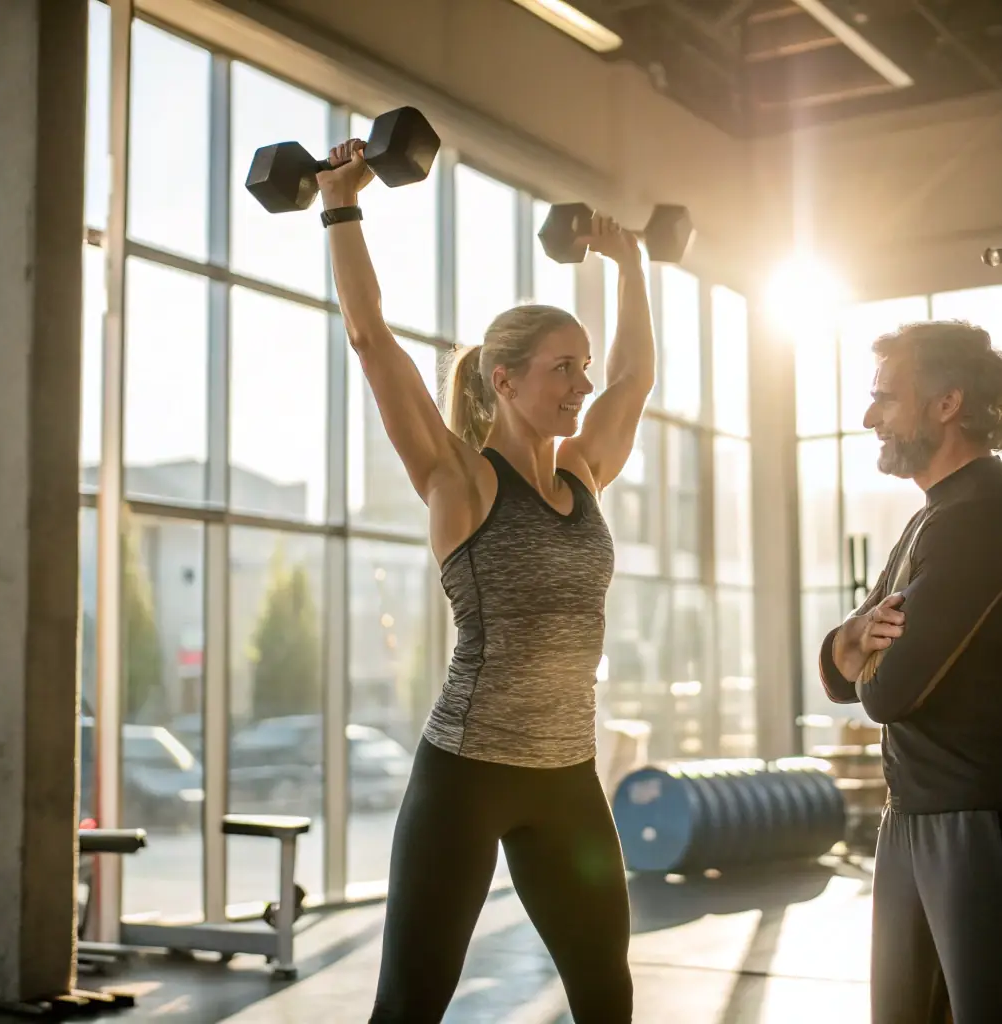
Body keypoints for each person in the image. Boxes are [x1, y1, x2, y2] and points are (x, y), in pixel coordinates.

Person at [316, 140, 650, 1023]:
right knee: (412, 1003)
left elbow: (635, 377)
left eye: (581, 366)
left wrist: (631, 263)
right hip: (465, 775)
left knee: (607, 994)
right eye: (560, 369)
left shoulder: (583, 475)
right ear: (503, 380)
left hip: (566, 773)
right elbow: (370, 338)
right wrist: (340, 205)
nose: (580, 385)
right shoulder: (458, 481)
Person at [817, 320, 1002, 1024]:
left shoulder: (987, 516)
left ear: (946, 404)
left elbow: (886, 689)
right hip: (914, 811)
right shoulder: (928, 520)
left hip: (990, 811)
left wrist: (857, 649)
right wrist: (852, 641)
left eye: (885, 397)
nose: (870, 416)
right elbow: (844, 663)